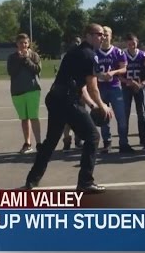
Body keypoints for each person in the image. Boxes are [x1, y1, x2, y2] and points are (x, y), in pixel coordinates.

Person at [24, 23, 113, 194]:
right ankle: (85, 182)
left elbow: (80, 87)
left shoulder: (75, 52)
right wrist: (103, 106)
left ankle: (32, 180)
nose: (102, 37)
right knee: (93, 137)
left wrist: (93, 105)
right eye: (98, 34)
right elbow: (92, 86)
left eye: (103, 34)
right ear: (88, 35)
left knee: (50, 142)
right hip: (67, 101)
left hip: (57, 98)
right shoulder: (89, 55)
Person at [96, 26, 133, 153]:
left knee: (121, 116)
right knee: (104, 117)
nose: (104, 36)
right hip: (100, 88)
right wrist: (98, 75)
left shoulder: (118, 52)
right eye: (102, 34)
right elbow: (89, 70)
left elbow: (124, 68)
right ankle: (107, 143)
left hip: (115, 87)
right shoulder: (95, 52)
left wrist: (113, 72)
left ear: (111, 36)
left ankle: (123, 143)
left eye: (107, 34)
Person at [7, 33, 42, 154]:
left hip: (32, 89)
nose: (23, 45)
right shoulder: (12, 57)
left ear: (28, 44)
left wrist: (26, 59)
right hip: (17, 91)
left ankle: (39, 143)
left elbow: (37, 69)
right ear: (17, 44)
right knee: (24, 118)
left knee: (33, 117)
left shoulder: (34, 55)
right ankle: (27, 143)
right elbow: (12, 72)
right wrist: (20, 59)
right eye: (21, 43)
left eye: (26, 43)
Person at [122, 33, 145, 147]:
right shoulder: (122, 54)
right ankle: (124, 140)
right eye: (129, 43)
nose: (131, 45)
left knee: (142, 113)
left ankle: (144, 138)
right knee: (125, 113)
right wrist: (128, 81)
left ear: (137, 42)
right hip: (126, 86)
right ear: (126, 43)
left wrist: (143, 83)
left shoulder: (143, 55)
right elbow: (118, 73)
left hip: (140, 86)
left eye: (133, 42)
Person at [62, 36, 84, 150]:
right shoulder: (66, 56)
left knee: (80, 117)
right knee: (68, 120)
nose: (76, 44)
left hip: (80, 90)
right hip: (68, 90)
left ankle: (78, 140)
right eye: (74, 42)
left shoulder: (83, 56)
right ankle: (67, 141)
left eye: (78, 42)